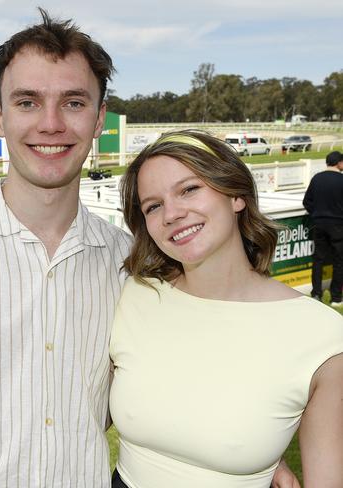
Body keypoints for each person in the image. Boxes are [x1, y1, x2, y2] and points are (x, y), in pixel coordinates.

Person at [0, 12, 297, 488]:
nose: (51, 124)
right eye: (28, 102)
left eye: (73, 102)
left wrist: (258, 453)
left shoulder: (127, 261)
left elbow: (176, 381)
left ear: (99, 118)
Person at [110, 130, 343, 487]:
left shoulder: (323, 337)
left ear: (236, 194)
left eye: (189, 189)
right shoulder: (133, 294)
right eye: (153, 206)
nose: (171, 213)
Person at [303, 150, 343, 306]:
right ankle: (336, 298)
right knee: (339, 262)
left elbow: (307, 202)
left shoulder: (317, 178)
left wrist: (317, 214)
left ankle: (316, 294)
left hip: (319, 224)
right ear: (339, 163)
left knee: (318, 260)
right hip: (338, 226)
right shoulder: (341, 180)